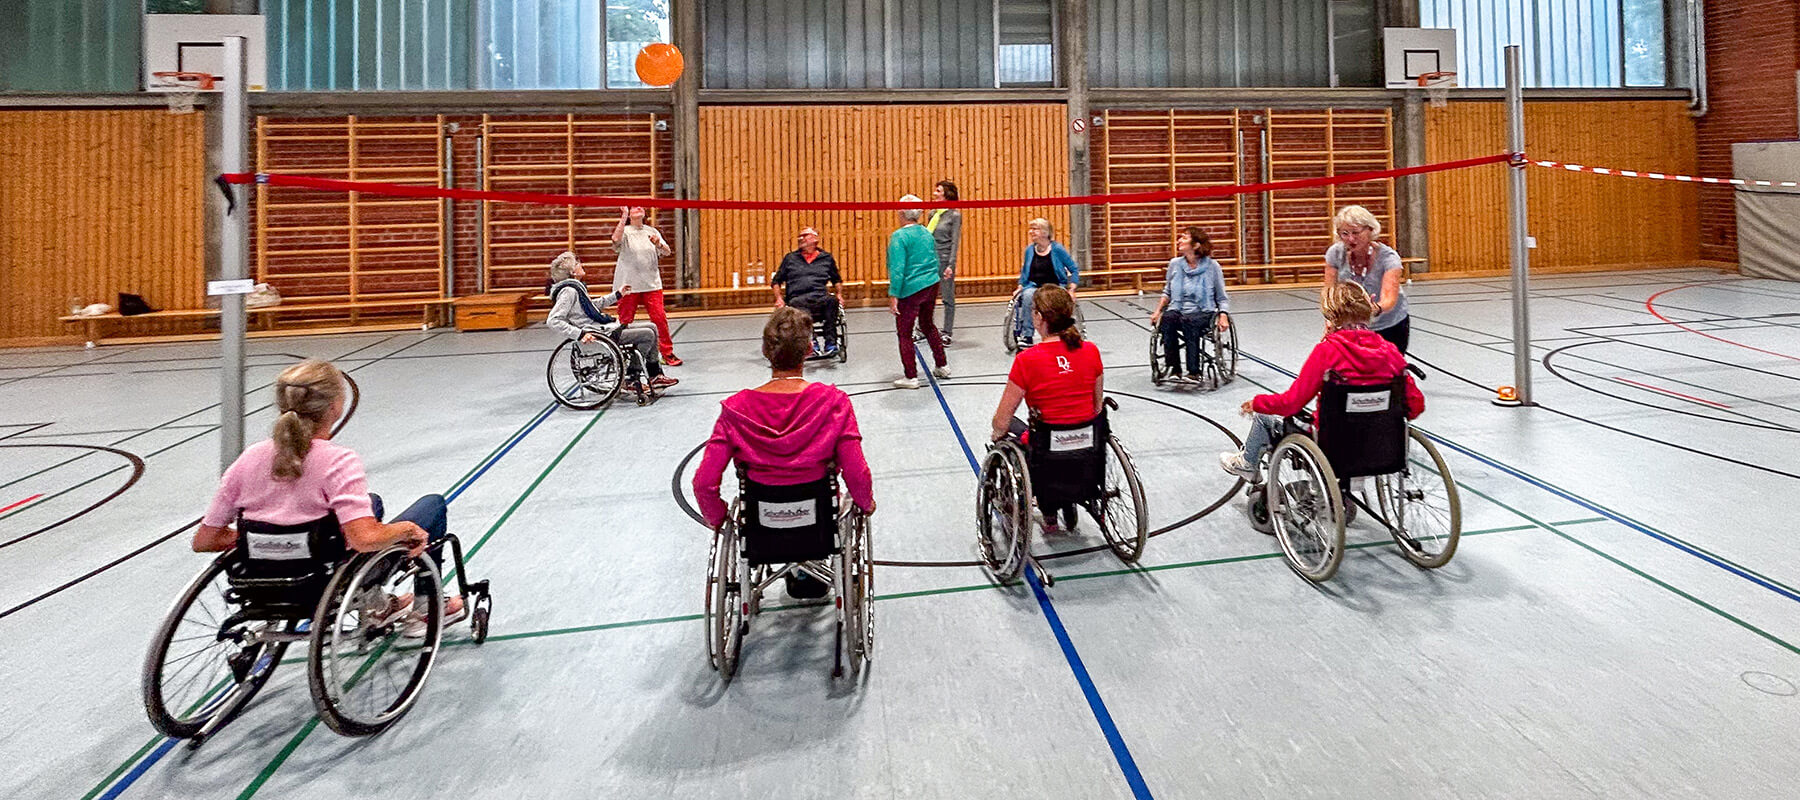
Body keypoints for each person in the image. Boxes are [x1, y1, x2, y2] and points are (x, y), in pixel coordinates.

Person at [193, 359, 460, 637]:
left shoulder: (249, 458)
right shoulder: (338, 461)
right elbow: (364, 539)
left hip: (262, 578)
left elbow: (205, 540)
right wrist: (407, 530)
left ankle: (378, 604)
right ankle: (426, 608)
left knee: (371, 501)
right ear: (335, 406)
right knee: (432, 506)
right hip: (322, 576)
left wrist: (268, 542)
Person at [694, 307, 877, 598]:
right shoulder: (834, 403)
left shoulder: (736, 409)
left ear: (766, 351)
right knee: (842, 503)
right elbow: (857, 473)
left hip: (760, 522)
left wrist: (717, 519)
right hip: (818, 519)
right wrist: (866, 504)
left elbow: (704, 482)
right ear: (808, 349)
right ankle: (809, 566)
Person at [1219, 282, 1423, 483]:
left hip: (1332, 444)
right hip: (1381, 446)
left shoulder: (1327, 352)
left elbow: (1291, 403)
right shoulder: (1390, 352)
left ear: (1330, 318)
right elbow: (1415, 406)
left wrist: (1258, 402)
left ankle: (1247, 464)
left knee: (1264, 417)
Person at [989, 286, 1104, 535]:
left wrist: (997, 435)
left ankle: (1046, 505)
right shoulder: (1091, 351)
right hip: (1088, 445)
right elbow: (1097, 406)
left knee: (1008, 428)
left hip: (1046, 447)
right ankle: (1062, 502)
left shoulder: (1028, 360)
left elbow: (1001, 419)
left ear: (1039, 318)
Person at [544, 251, 677, 391]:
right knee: (647, 335)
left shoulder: (576, 288)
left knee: (652, 327)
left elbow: (593, 305)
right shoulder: (569, 291)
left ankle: (655, 375)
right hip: (598, 333)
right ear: (573, 272)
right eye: (577, 264)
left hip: (602, 330)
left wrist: (618, 295)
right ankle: (631, 377)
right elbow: (553, 320)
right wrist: (580, 334)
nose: (580, 264)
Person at [1323, 205, 1410, 354]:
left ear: (1370, 230)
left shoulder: (1388, 258)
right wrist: (1331, 321)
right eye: (1345, 233)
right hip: (1351, 326)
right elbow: (1329, 293)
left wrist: (1371, 309)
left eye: (1356, 233)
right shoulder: (1335, 254)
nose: (1351, 239)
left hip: (1389, 324)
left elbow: (1389, 300)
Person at [1150, 226, 1232, 381]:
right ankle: (1174, 368)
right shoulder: (1175, 264)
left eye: (1185, 238)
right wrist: (1157, 311)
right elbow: (1167, 291)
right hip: (1179, 308)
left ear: (1196, 245)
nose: (1180, 240)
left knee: (1189, 321)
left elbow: (1221, 297)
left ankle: (1194, 371)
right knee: (1168, 319)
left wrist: (1223, 315)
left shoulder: (1212, 267)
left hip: (1204, 311)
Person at [886, 194, 950, 389]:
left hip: (911, 289)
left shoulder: (899, 236)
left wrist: (893, 294)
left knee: (904, 333)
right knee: (928, 324)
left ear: (902, 212)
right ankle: (942, 365)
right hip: (931, 284)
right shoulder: (925, 232)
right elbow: (933, 259)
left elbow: (897, 268)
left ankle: (911, 376)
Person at [611, 205, 682, 366]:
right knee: (625, 321)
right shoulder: (625, 231)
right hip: (628, 285)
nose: (638, 207)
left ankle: (666, 353)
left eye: (640, 206)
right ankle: (621, 354)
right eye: (634, 207)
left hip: (652, 284)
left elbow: (667, 252)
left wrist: (659, 244)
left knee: (660, 319)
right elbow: (615, 240)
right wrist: (623, 216)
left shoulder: (652, 231)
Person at [771, 226, 844, 355]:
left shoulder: (826, 258)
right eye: (800, 236)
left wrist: (839, 295)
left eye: (805, 235)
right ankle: (810, 341)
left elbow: (836, 279)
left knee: (832, 302)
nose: (801, 238)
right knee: (799, 307)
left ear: (815, 239)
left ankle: (830, 341)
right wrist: (779, 298)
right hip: (798, 298)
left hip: (819, 297)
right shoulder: (790, 258)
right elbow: (776, 281)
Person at [1014, 217, 1079, 346]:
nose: (1031, 232)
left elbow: (1074, 269)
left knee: (1058, 299)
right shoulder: (1029, 251)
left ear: (1045, 232)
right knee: (1027, 296)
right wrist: (1020, 286)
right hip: (1034, 286)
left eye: (1035, 229)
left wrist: (1072, 289)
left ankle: (1062, 332)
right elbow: (1025, 271)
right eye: (1031, 229)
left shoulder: (1057, 249)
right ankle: (1027, 335)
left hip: (1055, 286)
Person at [925, 180, 964, 345]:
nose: (934, 194)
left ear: (947, 194)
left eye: (938, 191)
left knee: (947, 297)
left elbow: (955, 241)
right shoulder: (932, 214)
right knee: (926, 297)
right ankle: (924, 329)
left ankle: (947, 331)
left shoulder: (955, 215)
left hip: (944, 258)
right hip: (929, 259)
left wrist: (951, 264)